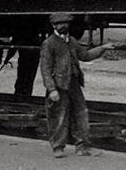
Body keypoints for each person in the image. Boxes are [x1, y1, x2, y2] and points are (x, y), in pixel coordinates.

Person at [40, 12, 114, 158]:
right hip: (59, 85)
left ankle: (82, 147)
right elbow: (45, 69)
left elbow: (85, 56)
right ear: (53, 25)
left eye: (65, 23)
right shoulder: (49, 43)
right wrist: (52, 89)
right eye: (59, 23)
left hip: (73, 83)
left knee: (81, 114)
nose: (63, 26)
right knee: (59, 116)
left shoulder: (72, 41)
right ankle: (58, 148)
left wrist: (103, 48)